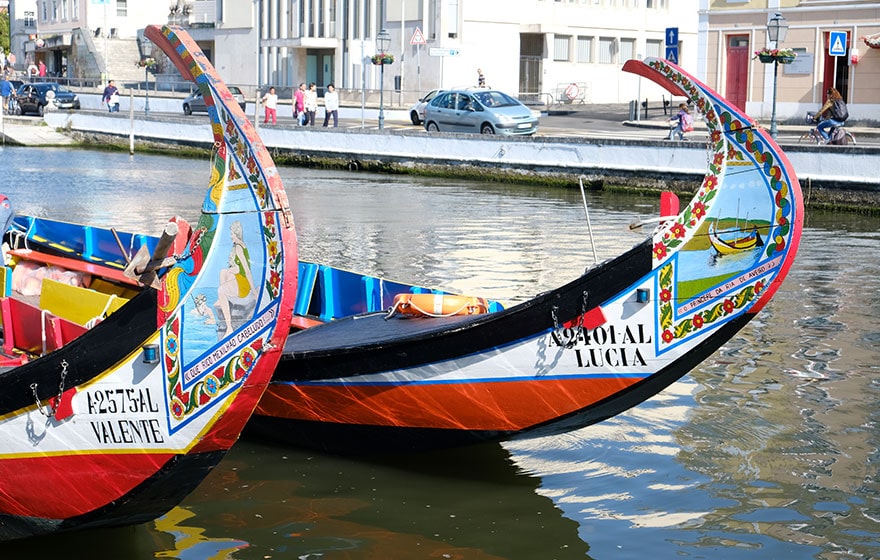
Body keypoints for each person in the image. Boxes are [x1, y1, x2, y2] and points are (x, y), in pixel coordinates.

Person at [217, 220, 256, 337]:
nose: (231, 236)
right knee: (223, 272)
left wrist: (253, 290)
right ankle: (223, 300)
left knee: (221, 290)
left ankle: (229, 327)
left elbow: (247, 270)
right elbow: (240, 268)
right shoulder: (239, 246)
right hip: (238, 278)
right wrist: (234, 269)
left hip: (243, 284)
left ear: (236, 234)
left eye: (232, 234)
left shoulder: (239, 248)